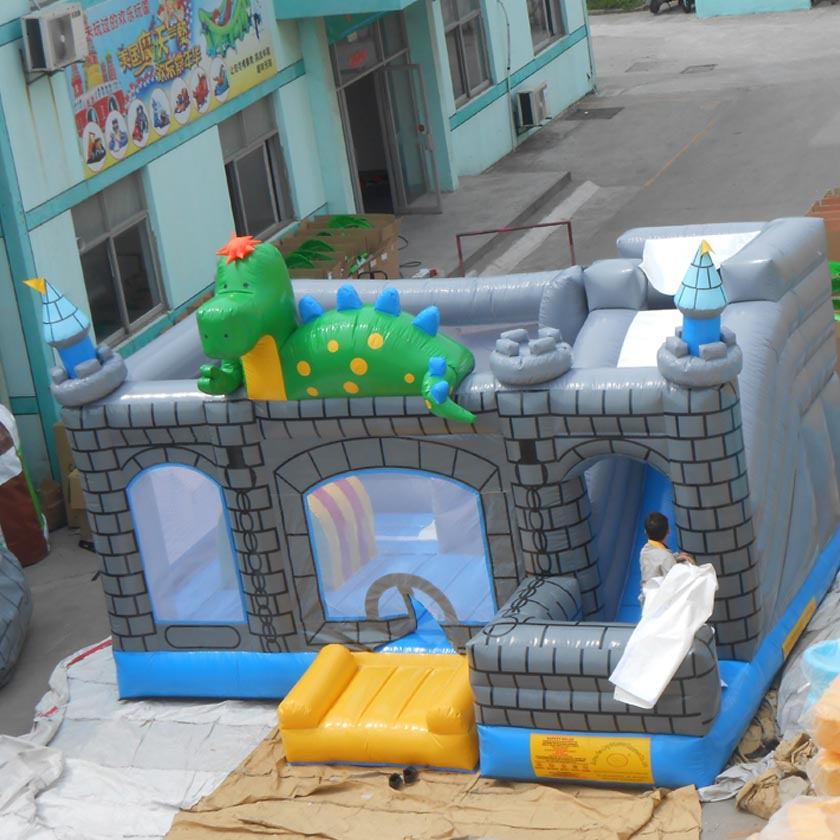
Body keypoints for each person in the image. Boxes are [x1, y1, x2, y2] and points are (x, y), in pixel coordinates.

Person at [639, 511, 694, 602]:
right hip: (659, 604)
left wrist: (675, 558)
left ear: (645, 532)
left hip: (646, 600)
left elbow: (657, 560)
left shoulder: (644, 551)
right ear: (668, 530)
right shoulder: (666, 557)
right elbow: (675, 583)